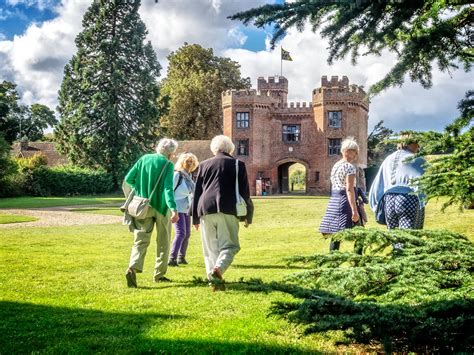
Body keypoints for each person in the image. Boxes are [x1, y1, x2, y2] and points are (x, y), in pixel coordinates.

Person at [192, 135, 254, 291]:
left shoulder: (204, 165)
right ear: (230, 149)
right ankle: (218, 269)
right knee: (231, 245)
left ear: (214, 149)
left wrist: (195, 218)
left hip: (205, 208)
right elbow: (245, 192)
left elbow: (197, 192)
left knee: (210, 248)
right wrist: (248, 215)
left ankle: (214, 281)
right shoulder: (238, 164)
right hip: (228, 207)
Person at [124, 138, 179, 288]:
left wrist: (140, 189)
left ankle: (132, 268)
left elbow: (129, 179)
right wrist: (173, 209)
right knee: (163, 241)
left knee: (140, 240)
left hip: (143, 206)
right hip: (161, 207)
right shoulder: (168, 164)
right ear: (171, 152)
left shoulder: (144, 159)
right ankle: (159, 274)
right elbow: (168, 189)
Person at [369, 135, 426, 232]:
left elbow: (378, 182)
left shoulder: (388, 159)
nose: (418, 147)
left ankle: (396, 247)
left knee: (394, 235)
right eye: (417, 143)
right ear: (411, 143)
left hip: (389, 200)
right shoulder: (416, 159)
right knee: (408, 236)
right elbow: (430, 177)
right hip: (408, 198)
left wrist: (375, 203)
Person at [319, 137, 360, 251]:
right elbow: (349, 189)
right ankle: (358, 261)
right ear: (347, 151)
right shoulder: (349, 167)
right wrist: (354, 211)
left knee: (337, 234)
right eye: (354, 151)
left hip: (334, 201)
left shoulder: (336, 165)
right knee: (360, 233)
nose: (356, 154)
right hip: (345, 201)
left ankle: (333, 259)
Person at [168, 152, 199, 267]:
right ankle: (172, 258)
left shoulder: (189, 176)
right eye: (187, 161)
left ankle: (181, 257)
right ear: (182, 162)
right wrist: (172, 209)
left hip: (186, 208)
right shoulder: (178, 175)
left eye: (192, 162)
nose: (190, 164)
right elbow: (170, 191)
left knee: (187, 234)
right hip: (177, 207)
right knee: (181, 233)